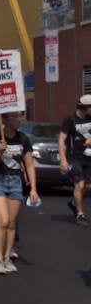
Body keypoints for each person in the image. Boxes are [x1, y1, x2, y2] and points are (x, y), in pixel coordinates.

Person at [0, 111, 38, 274]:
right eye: (16, 116)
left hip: (15, 182)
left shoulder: (23, 139)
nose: (20, 119)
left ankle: (7, 257)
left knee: (12, 223)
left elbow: (29, 164)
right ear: (5, 119)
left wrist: (33, 188)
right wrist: (0, 151)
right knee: (3, 221)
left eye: (21, 116)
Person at [59, 95, 91, 227]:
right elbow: (62, 140)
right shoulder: (70, 120)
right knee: (80, 185)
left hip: (89, 158)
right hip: (75, 158)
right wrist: (63, 160)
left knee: (89, 187)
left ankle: (74, 202)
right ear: (86, 108)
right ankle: (80, 214)